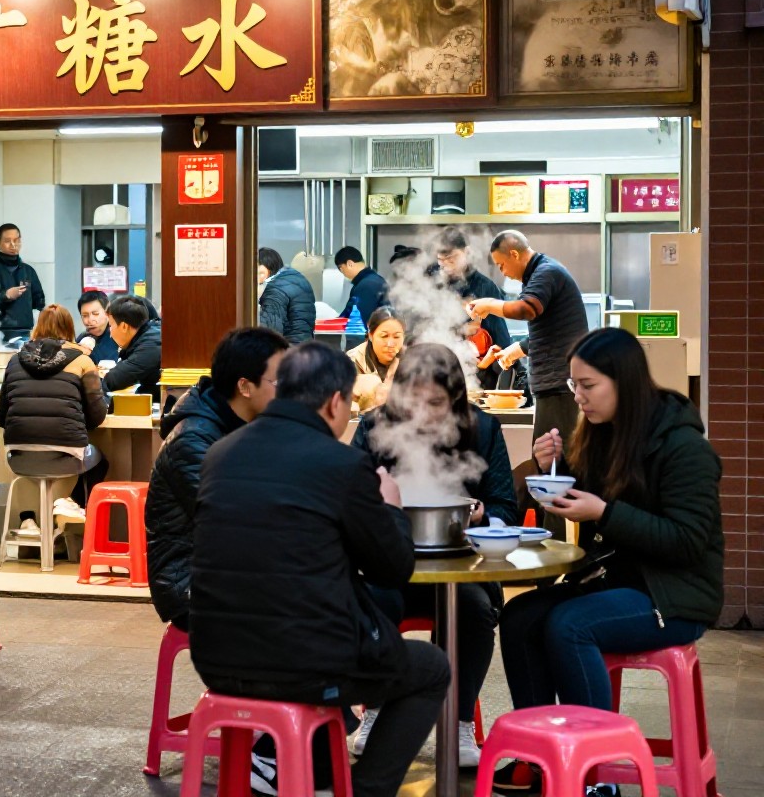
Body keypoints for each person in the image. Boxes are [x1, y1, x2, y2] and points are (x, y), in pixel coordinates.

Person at [191, 342, 448, 797]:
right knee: (430, 666)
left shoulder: (221, 453)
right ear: (335, 402)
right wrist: (389, 507)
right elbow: (393, 569)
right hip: (307, 665)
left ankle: (320, 774)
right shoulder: (343, 464)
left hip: (216, 658)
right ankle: (366, 790)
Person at [491, 328, 723, 793]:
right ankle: (542, 760)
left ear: (624, 381)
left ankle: (596, 774)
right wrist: (544, 468)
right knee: (518, 616)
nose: (578, 397)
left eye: (587, 385)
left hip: (675, 594)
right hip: (615, 580)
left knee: (571, 624)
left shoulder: (683, 447)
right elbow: (574, 491)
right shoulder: (601, 434)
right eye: (574, 385)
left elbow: (689, 541)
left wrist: (604, 513)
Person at [351, 343, 520, 769]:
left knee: (476, 611)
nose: (425, 414)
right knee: (373, 603)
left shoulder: (481, 429)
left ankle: (460, 722)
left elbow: (505, 504)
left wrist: (482, 514)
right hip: (390, 566)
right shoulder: (374, 428)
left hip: (460, 568)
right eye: (414, 401)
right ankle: (372, 712)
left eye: (437, 403)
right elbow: (348, 497)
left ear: (456, 400)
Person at [146, 327, 288, 632]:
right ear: (245, 387)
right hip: (191, 584)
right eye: (279, 380)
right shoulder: (194, 439)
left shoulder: (242, 424)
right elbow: (232, 522)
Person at [469, 230, 590, 529]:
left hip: (560, 389)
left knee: (553, 471)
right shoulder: (544, 274)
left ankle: (559, 549)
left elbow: (526, 310)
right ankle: (555, 541)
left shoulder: (546, 272)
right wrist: (517, 349)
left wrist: (487, 304)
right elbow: (552, 331)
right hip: (555, 388)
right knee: (549, 467)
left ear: (513, 254)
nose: (502, 272)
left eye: (500, 265)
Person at [0, 304, 108, 526]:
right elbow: (96, 417)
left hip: (19, 457)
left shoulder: (15, 361)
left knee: (25, 466)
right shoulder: (83, 361)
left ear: (37, 328)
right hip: (67, 455)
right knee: (100, 461)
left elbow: (2, 416)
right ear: (69, 328)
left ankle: (28, 521)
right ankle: (71, 504)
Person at [433, 227, 512, 351]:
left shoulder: (484, 287)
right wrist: (460, 330)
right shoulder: (431, 283)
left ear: (467, 252)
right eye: (441, 260)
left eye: (451, 259)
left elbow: (501, 341)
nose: (446, 265)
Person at [0, 223, 46, 345]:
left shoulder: (28, 271)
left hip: (25, 333)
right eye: (7, 241)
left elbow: (40, 302)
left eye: (16, 240)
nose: (13, 245)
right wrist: (6, 296)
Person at [102, 294, 162, 400]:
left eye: (111, 326)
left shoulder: (151, 345)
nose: (110, 332)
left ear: (124, 326)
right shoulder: (150, 334)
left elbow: (115, 379)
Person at [347, 308, 405, 414]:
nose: (390, 344)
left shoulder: (412, 360)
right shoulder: (352, 360)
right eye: (384, 336)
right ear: (371, 335)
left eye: (396, 337)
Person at [256, 247, 316, 344]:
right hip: (304, 344)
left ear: (270, 266)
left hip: (289, 347)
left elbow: (270, 328)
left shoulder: (276, 288)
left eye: (258, 269)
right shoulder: (296, 277)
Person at [336, 246, 389, 326]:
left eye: (341, 268)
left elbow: (359, 321)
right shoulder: (374, 280)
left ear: (349, 264)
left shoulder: (366, 286)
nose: (342, 273)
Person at [75, 290, 121, 365]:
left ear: (107, 312)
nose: (90, 320)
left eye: (95, 314)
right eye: (85, 315)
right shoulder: (81, 339)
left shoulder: (119, 337)